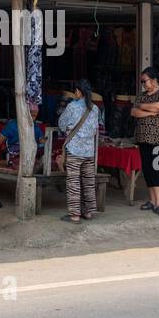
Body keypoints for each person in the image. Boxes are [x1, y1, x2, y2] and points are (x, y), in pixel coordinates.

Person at [57, 78, 101, 224]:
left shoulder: (72, 107)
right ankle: (88, 212)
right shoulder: (95, 108)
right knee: (88, 182)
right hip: (89, 151)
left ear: (78, 92)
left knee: (73, 182)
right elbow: (96, 129)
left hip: (75, 150)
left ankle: (75, 215)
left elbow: (62, 125)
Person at [131, 66, 159, 216]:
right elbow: (134, 111)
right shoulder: (141, 96)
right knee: (147, 169)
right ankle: (152, 201)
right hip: (143, 139)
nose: (143, 84)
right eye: (141, 82)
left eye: (145, 81)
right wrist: (149, 111)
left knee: (158, 170)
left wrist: (145, 108)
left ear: (154, 80)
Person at [0, 103, 44, 169]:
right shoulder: (12, 126)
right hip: (13, 156)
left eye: (35, 116)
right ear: (25, 114)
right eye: (32, 116)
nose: (34, 119)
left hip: (28, 157)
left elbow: (42, 142)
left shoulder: (35, 126)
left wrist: (44, 141)